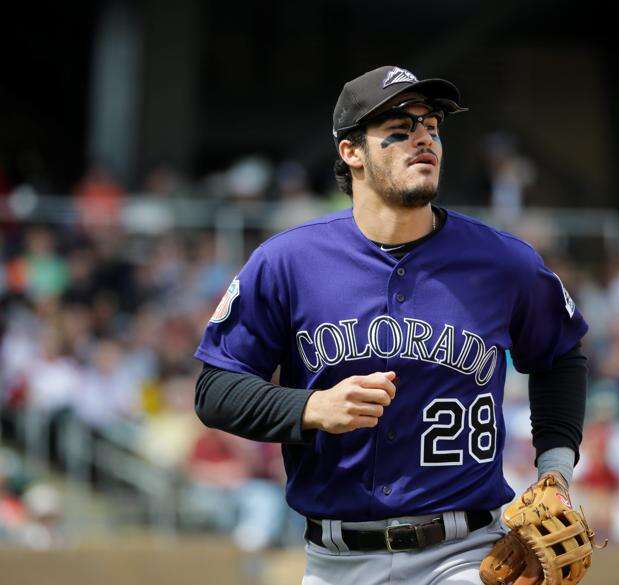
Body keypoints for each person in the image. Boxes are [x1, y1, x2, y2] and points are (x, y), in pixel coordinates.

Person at [194, 65, 589, 584]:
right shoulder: (288, 261)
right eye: (399, 130)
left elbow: (560, 354)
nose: (423, 139)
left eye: (432, 126)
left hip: (463, 553)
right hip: (335, 560)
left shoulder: (502, 262)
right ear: (352, 152)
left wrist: (555, 468)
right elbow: (214, 389)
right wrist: (310, 407)